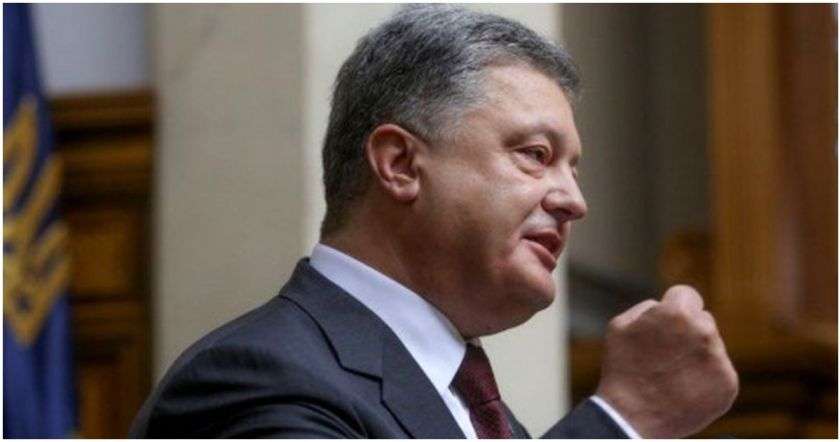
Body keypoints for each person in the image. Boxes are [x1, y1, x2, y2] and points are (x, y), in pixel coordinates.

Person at [130, 5, 738, 438]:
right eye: (535, 155)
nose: (573, 200)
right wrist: (623, 420)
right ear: (400, 164)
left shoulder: (474, 404)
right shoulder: (256, 379)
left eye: (572, 169)